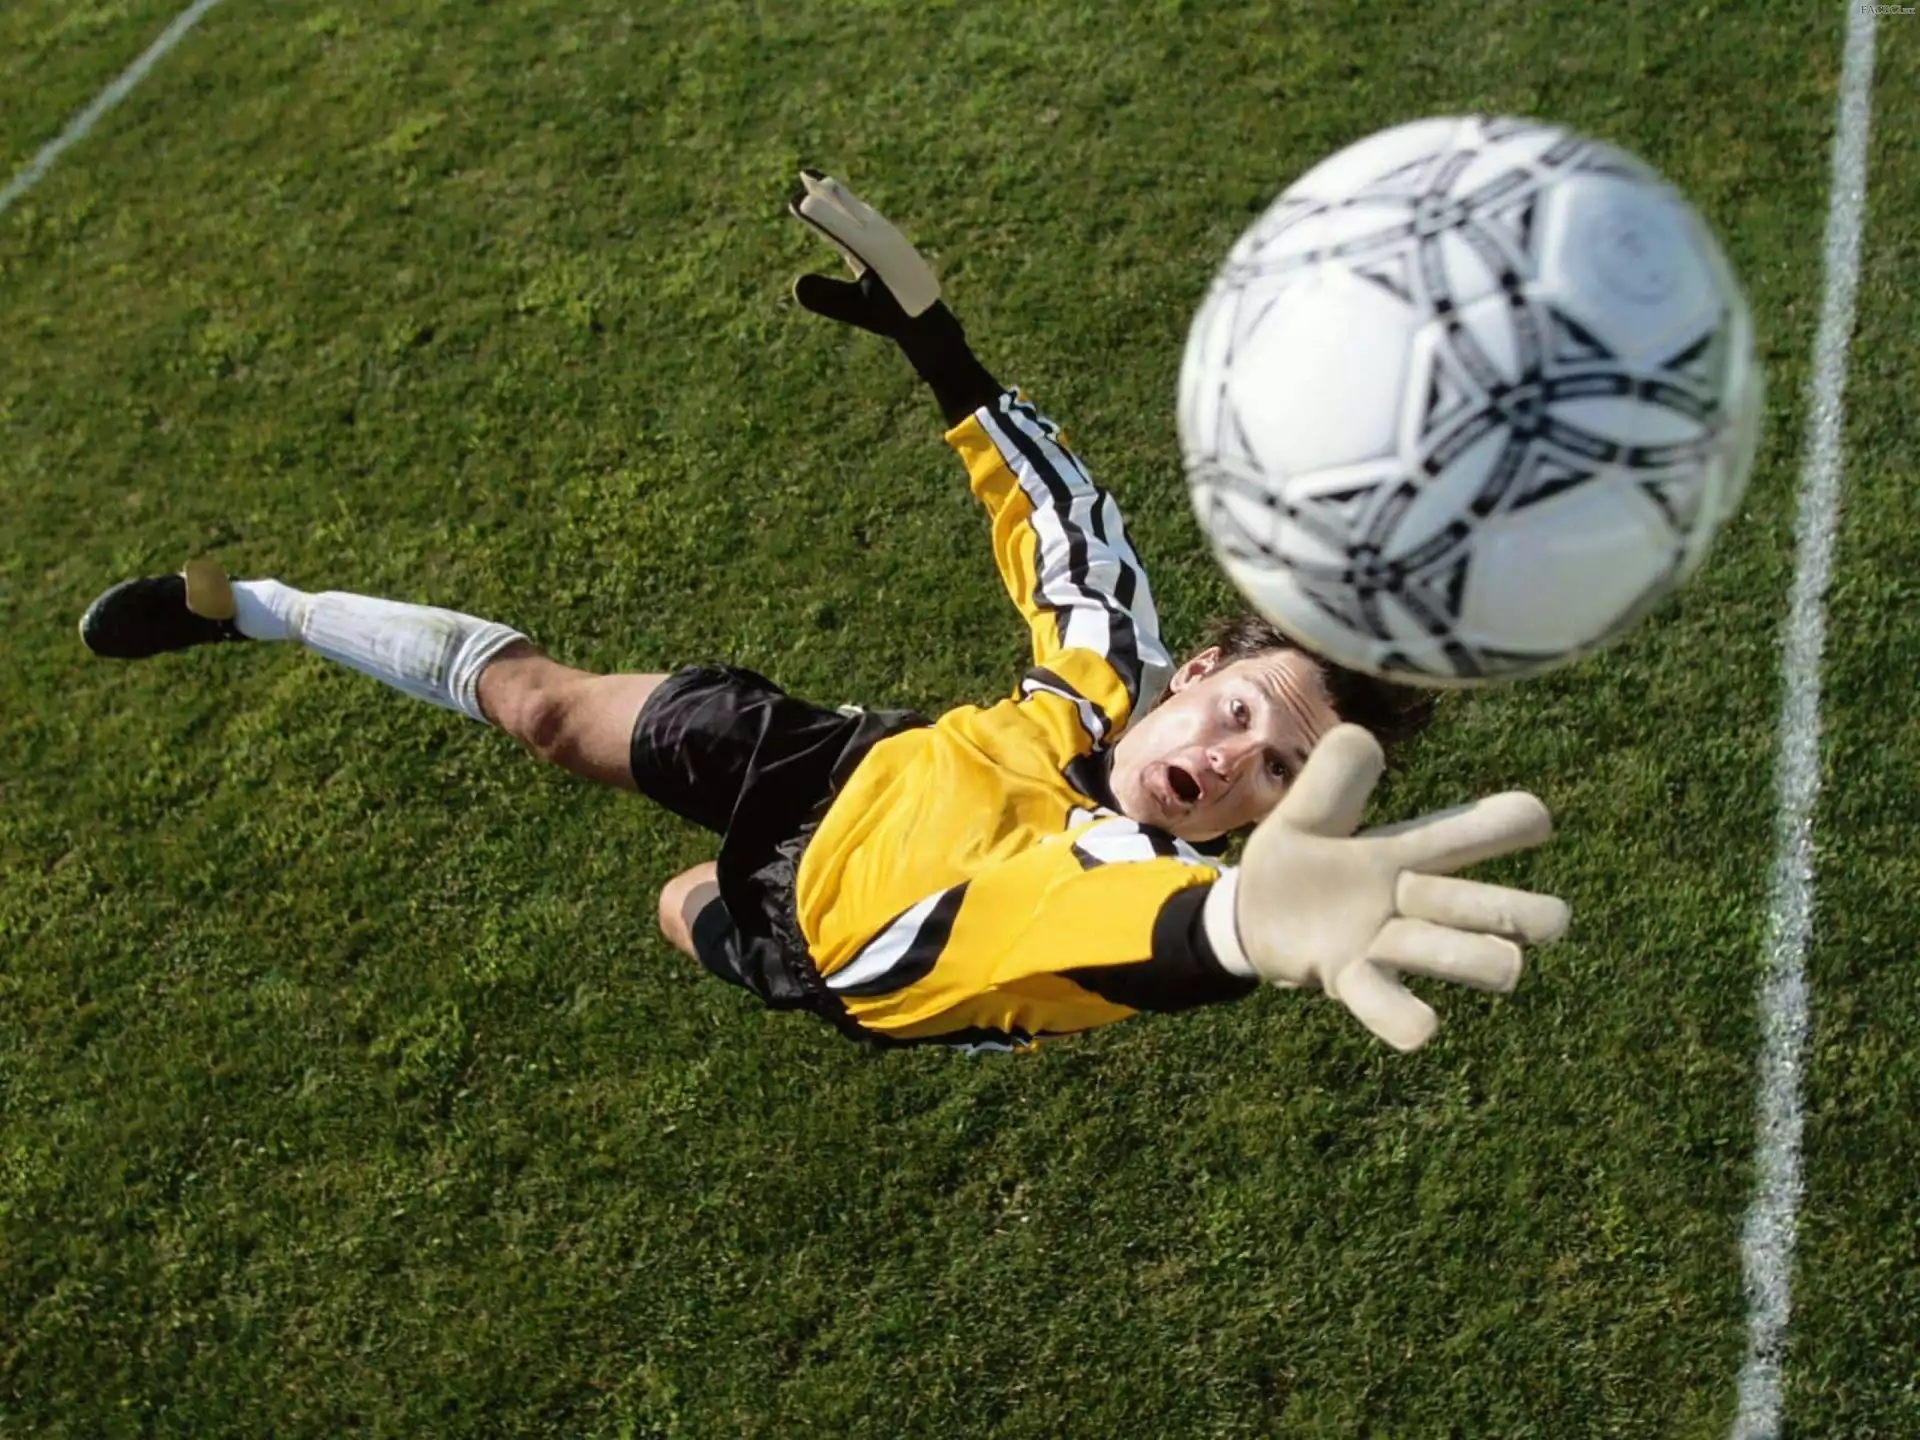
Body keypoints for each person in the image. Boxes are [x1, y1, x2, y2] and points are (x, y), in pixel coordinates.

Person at [79, 173, 1569, 1055]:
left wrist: (1239, 926)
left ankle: (727, 923)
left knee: (683, 910)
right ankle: (256, 607)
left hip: (826, 950)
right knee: (540, 711)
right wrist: (939, 346)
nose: (1233, 761)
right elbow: (1058, 521)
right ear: (1196, 674)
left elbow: (1157, 932)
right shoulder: (1108, 674)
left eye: (1274, 777)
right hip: (835, 767)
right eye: (1241, 715)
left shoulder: (1139, 892)